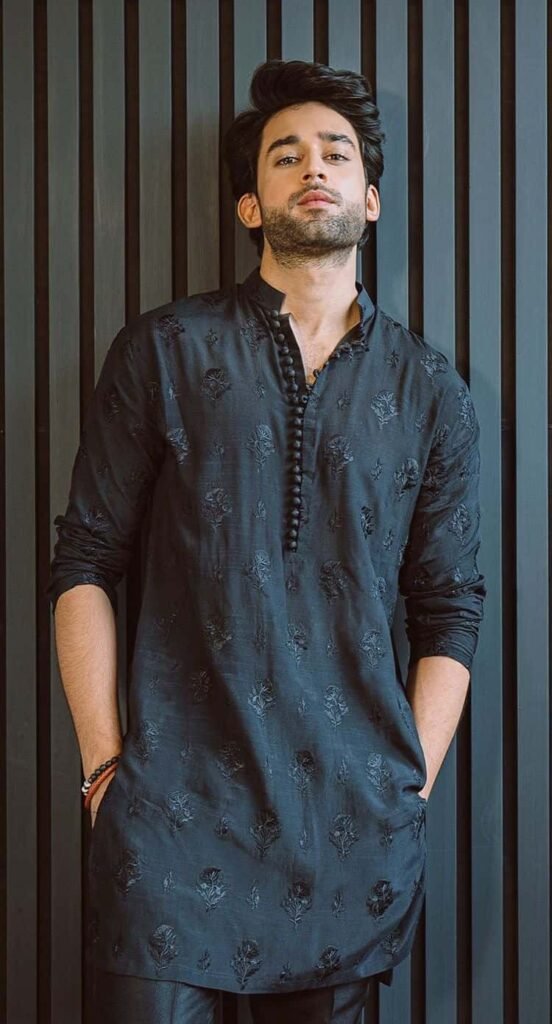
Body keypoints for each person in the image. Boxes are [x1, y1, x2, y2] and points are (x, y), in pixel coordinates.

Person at [47, 58, 487, 1024]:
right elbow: (84, 560)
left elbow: (450, 606)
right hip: (169, 825)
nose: (313, 167)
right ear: (251, 206)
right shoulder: (166, 350)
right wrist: (105, 771)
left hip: (350, 836)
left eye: (336, 153)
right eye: (287, 156)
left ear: (370, 200)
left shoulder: (431, 392)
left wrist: (408, 787)